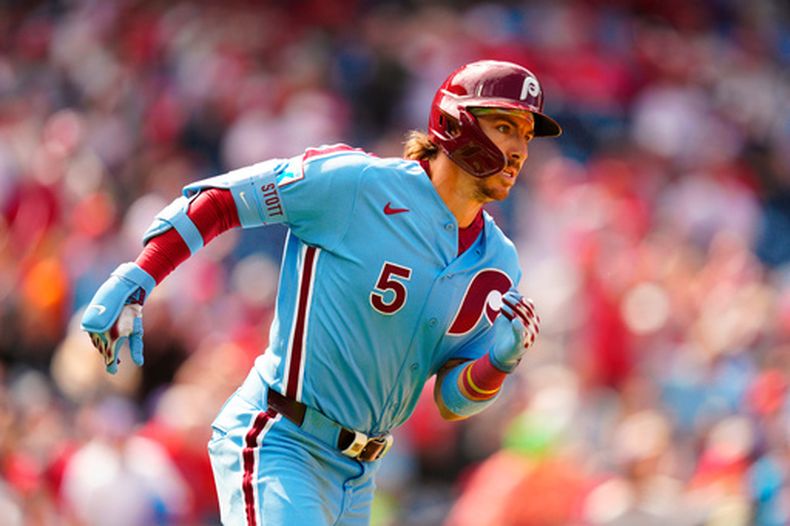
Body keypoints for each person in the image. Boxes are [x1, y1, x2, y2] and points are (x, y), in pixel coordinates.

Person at [81, 59, 561, 525]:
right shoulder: (357, 184)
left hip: (361, 475)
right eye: (505, 126)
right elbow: (222, 199)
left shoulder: (500, 261)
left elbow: (452, 400)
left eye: (525, 134)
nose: (520, 148)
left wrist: (497, 363)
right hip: (282, 438)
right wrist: (139, 276)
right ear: (456, 122)